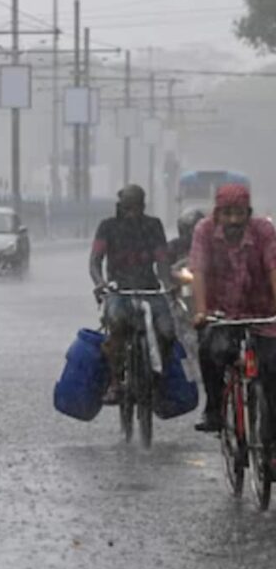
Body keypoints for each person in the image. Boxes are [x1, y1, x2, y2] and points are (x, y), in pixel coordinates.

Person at [189, 183, 276, 432]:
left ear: (248, 214)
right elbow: (199, 271)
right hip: (221, 314)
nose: (233, 220)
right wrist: (201, 311)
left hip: (263, 314)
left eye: (239, 213)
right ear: (217, 214)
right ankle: (214, 410)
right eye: (227, 213)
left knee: (272, 371)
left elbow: (273, 268)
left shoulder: (264, 231)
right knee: (210, 350)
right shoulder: (204, 231)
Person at [89, 184, 175, 404]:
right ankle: (116, 382)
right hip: (118, 291)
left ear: (143, 207)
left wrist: (167, 284)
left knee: (167, 332)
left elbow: (162, 259)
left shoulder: (153, 226)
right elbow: (95, 261)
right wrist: (101, 283)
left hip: (150, 290)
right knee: (116, 326)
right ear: (120, 207)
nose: (131, 213)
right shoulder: (107, 227)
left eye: (135, 208)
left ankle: (161, 380)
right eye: (127, 208)